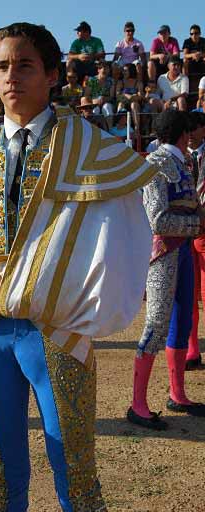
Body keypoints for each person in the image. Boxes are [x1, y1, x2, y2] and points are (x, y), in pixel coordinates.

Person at [0, 21, 156, 512]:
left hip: (58, 329)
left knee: (78, 475)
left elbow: (114, 236)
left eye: (24, 65)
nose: (10, 77)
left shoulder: (87, 149)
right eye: (1, 66)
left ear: (50, 75)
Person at [127, 110, 205, 432]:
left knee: (183, 318)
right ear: (183, 134)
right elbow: (157, 220)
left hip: (183, 251)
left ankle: (177, 394)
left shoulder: (182, 163)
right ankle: (138, 405)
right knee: (156, 323)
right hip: (164, 253)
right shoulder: (156, 165)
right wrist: (197, 223)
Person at [186, 112, 205, 370]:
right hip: (182, 230)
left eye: (194, 128)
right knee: (189, 292)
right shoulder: (177, 157)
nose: (189, 133)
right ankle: (192, 348)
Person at [84, 62, 115, 127]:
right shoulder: (92, 80)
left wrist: (104, 99)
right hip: (94, 103)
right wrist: (93, 101)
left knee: (107, 107)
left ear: (109, 70)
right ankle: (93, 129)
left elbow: (112, 97)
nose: (104, 70)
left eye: (106, 68)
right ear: (98, 70)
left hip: (106, 102)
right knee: (95, 109)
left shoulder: (111, 81)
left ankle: (110, 129)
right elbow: (86, 95)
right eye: (101, 68)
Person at [116, 63, 143, 133]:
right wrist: (128, 96)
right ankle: (120, 126)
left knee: (133, 104)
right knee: (120, 105)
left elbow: (140, 96)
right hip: (123, 102)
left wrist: (133, 97)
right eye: (123, 71)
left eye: (125, 71)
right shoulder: (120, 82)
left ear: (131, 71)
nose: (123, 72)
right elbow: (117, 95)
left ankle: (137, 128)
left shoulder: (138, 82)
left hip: (136, 103)